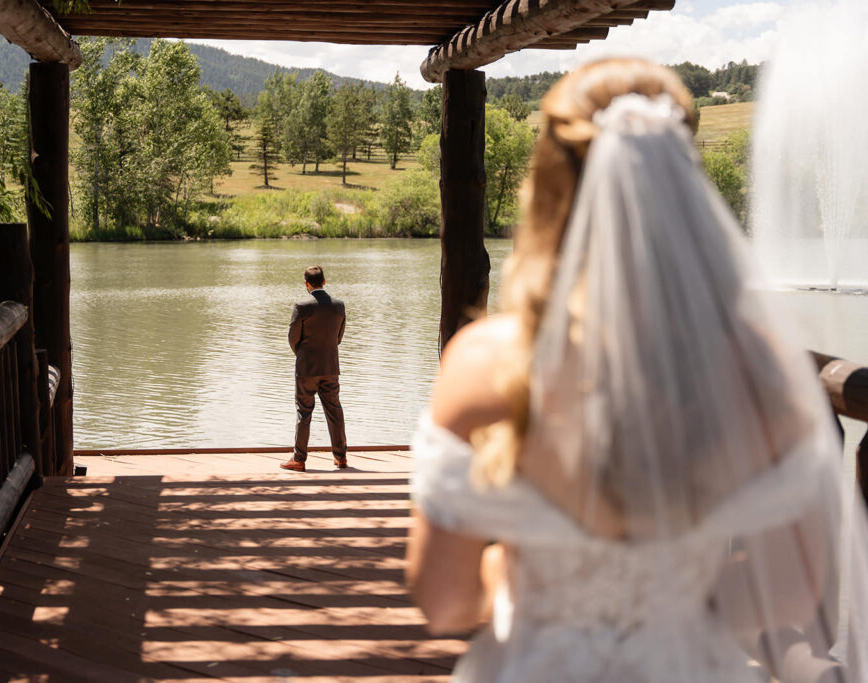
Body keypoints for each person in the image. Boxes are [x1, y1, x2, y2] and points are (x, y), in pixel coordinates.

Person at [406, 58, 868, 682]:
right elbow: (789, 591)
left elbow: (444, 603)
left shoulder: (487, 362)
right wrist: (665, 608)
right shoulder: (761, 369)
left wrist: (513, 583)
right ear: (684, 185)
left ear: (545, 190)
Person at [281, 265, 348, 472]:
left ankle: (299, 459)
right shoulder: (339, 306)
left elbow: (293, 338)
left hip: (306, 368)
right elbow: (338, 337)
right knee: (334, 411)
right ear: (324, 282)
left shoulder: (301, 306)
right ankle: (340, 457)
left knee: (304, 412)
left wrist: (302, 354)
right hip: (330, 366)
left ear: (306, 284)